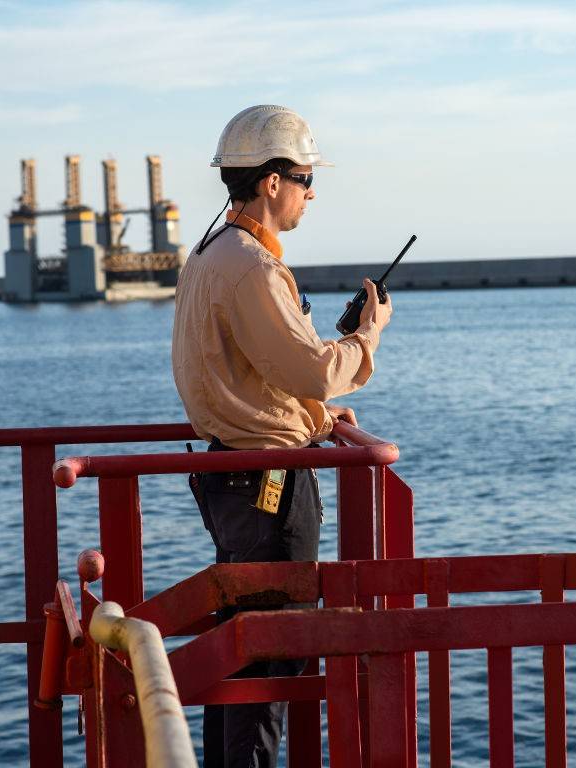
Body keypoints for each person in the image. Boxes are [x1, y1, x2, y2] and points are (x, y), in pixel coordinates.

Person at [171, 104, 393, 767]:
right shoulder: (252, 269)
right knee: (271, 648)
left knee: (238, 646)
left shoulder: (209, 254)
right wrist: (366, 335)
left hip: (230, 474)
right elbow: (311, 371)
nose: (309, 190)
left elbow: (253, 381)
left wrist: (318, 422)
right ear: (270, 182)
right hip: (265, 483)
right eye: (301, 176)